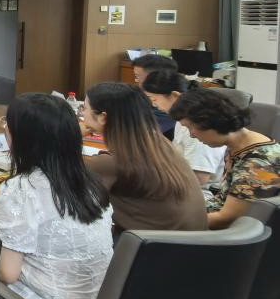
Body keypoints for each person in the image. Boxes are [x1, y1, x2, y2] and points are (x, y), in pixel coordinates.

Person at [0, 93, 114, 299]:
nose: (5, 128)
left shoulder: (21, 189)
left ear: (23, 136)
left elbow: (7, 274)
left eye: (8, 123)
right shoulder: (91, 183)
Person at [80, 82, 206, 231]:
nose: (82, 113)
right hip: (192, 240)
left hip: (154, 243)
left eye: (85, 108)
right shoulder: (157, 142)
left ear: (103, 117)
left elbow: (66, 183)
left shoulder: (112, 163)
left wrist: (70, 134)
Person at [170, 88, 280, 229]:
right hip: (211, 214)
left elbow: (226, 219)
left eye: (191, 127)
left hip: (223, 234)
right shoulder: (239, 145)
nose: (191, 135)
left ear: (211, 121)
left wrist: (169, 223)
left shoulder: (258, 162)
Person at [140, 69, 225, 185]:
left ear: (175, 95)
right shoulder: (181, 118)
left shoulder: (196, 125)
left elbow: (199, 178)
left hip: (196, 189)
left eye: (154, 99)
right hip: (178, 180)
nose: (154, 105)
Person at [131, 53, 178, 138]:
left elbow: (142, 131)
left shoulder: (168, 103)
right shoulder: (143, 93)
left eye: (138, 76)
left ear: (155, 77)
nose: (136, 80)